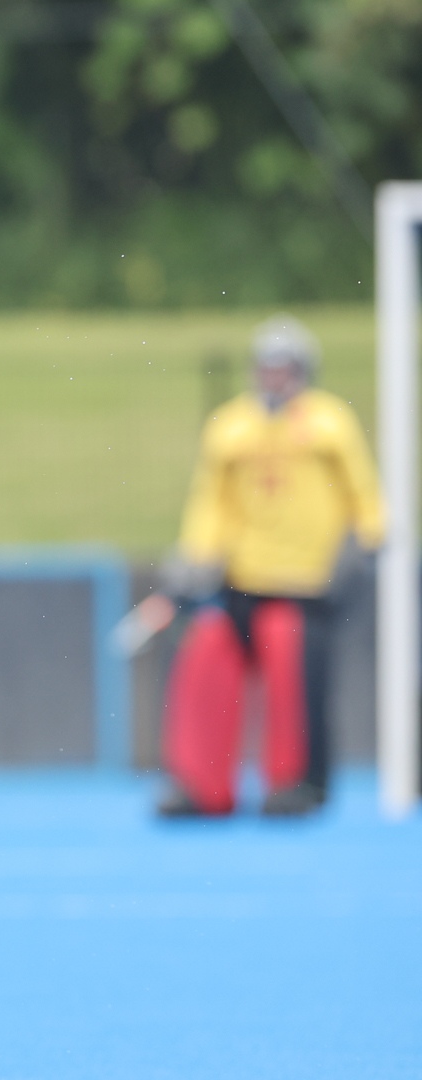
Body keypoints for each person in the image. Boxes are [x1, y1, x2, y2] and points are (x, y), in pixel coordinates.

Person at [156, 316, 384, 818]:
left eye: (285, 368)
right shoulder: (231, 427)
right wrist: (196, 556)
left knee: (291, 667)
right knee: (207, 652)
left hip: (305, 582)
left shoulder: (329, 424)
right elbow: (211, 501)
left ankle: (296, 781)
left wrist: (370, 538)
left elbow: (362, 491)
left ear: (304, 371)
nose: (275, 378)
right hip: (241, 579)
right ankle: (201, 785)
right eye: (267, 368)